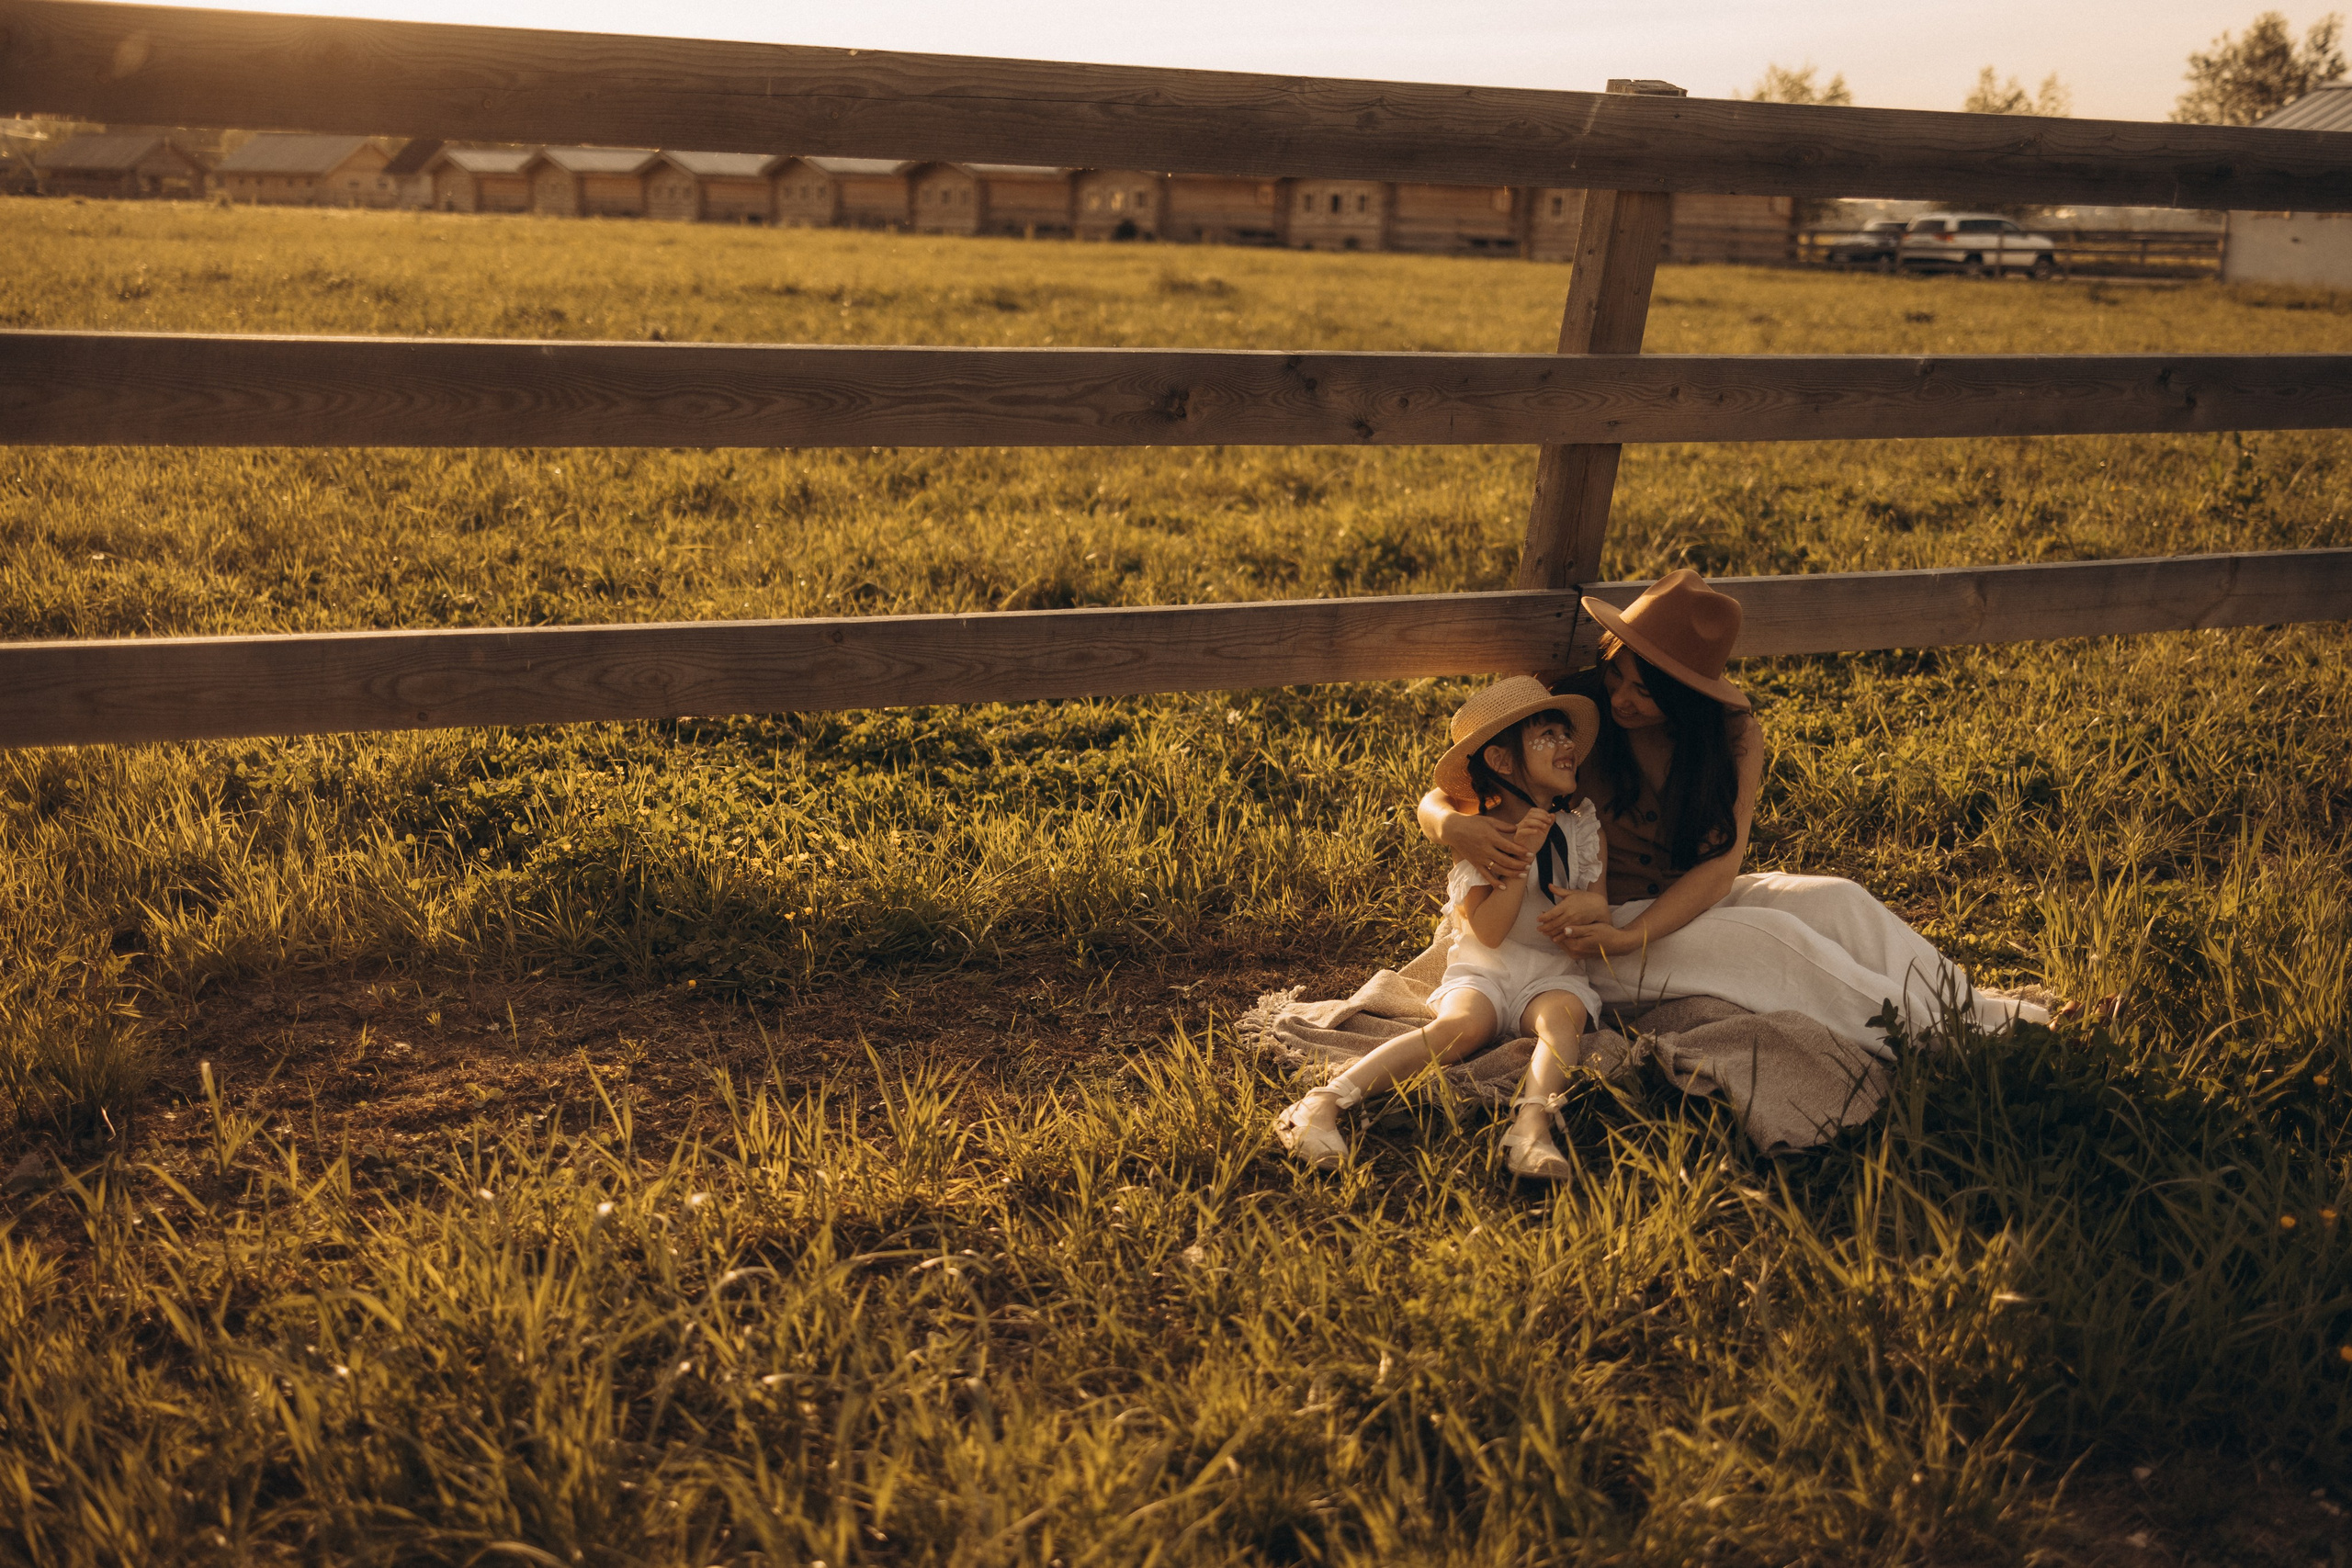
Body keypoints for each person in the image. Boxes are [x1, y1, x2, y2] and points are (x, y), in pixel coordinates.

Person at [1418, 570, 2046, 1051]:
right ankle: (1953, 1037)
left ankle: (1979, 1008)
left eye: (1645, 689)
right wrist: (1454, 825)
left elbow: (1720, 871)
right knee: (1778, 945)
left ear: (1687, 697)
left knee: (1838, 900)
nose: (1623, 699)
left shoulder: (1732, 737)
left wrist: (1632, 932)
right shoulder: (1578, 712)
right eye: (1618, 676)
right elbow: (1459, 781)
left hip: (1662, 911)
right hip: (1579, 936)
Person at [1275, 679, 1609, 1180]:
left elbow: (1600, 905)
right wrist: (1522, 858)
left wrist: (1584, 911)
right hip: (1487, 969)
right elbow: (1490, 932)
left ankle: (1532, 1128)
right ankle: (1323, 1104)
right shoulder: (1482, 838)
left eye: (1567, 734)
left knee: (1562, 1024)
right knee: (1461, 1028)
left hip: (1553, 970)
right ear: (1500, 761)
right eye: (1548, 734)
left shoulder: (1580, 827)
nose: (1567, 745)